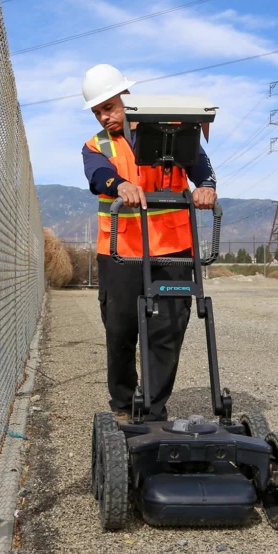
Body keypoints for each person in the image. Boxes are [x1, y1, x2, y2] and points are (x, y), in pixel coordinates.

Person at [80, 64, 217, 421]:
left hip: (173, 249)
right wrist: (118, 186)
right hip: (120, 252)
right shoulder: (97, 146)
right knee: (120, 328)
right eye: (97, 111)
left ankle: (154, 409)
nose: (103, 117)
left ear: (126, 98)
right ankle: (124, 406)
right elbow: (99, 176)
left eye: (108, 107)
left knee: (167, 329)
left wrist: (206, 187)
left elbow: (201, 165)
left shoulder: (172, 132)